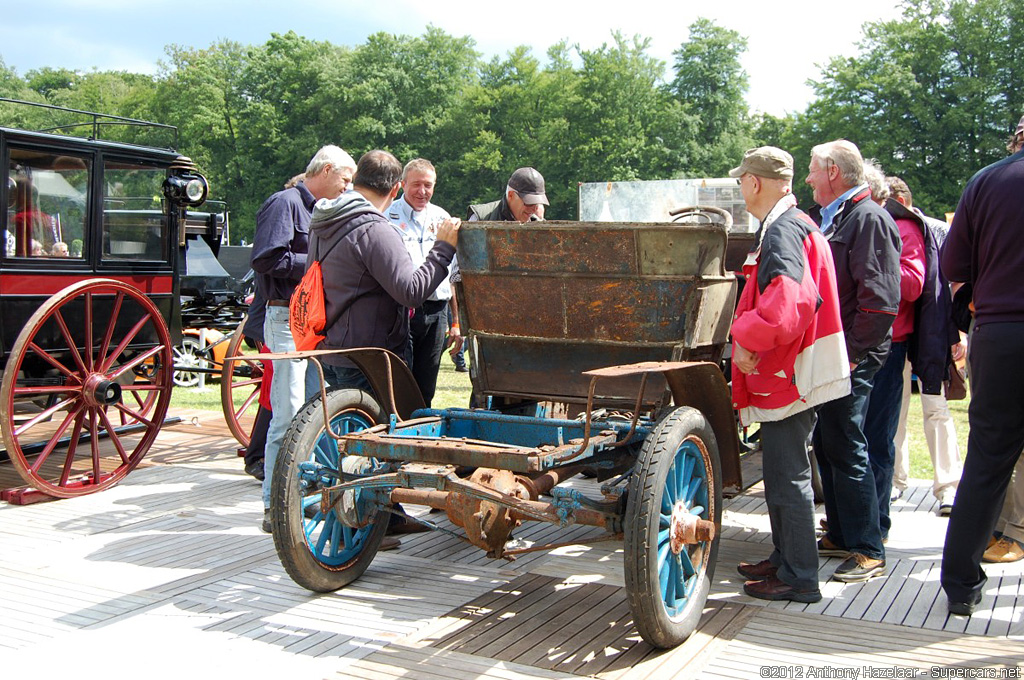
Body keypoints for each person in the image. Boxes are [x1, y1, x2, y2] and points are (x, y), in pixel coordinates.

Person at [728, 147, 849, 603]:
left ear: (755, 183)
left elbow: (788, 309)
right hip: (793, 371)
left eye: (742, 180)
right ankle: (785, 559)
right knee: (784, 474)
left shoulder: (782, 231)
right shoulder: (794, 224)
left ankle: (799, 577)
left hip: (787, 374)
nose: (741, 188)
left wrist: (743, 335)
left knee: (787, 477)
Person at [805, 139, 902, 583]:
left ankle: (867, 549)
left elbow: (881, 304)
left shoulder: (868, 218)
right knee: (830, 443)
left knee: (847, 445)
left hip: (851, 358)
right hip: (838, 355)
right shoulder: (845, 217)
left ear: (832, 173)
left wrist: (850, 356)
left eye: (812, 169)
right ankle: (845, 534)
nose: (807, 179)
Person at [940, 115, 1024, 616]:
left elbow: (953, 267)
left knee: (987, 463)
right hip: (999, 325)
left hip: (1001, 334)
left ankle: (961, 585)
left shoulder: (987, 181)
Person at [250, 145, 356, 533]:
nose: (347, 188)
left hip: (308, 322)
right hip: (284, 318)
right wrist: (317, 264)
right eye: (345, 179)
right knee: (289, 416)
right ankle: (273, 508)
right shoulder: (285, 203)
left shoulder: (317, 209)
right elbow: (265, 259)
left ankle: (303, 498)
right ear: (327, 170)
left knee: (314, 413)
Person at [858, 163, 926, 544]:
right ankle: (853, 523)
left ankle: (876, 525)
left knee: (877, 439)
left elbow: (913, 285)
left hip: (889, 346)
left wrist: (870, 268)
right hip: (858, 343)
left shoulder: (904, 228)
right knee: (850, 439)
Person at [887, 177, 963, 513]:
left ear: (900, 200)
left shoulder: (936, 230)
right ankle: (894, 481)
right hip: (899, 333)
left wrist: (956, 335)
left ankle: (947, 487)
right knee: (895, 411)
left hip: (932, 332)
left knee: (936, 408)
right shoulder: (888, 229)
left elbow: (951, 283)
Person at [386, 158, 463, 406]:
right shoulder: (387, 216)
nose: (422, 191)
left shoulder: (443, 219)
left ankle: (422, 434)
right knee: (401, 380)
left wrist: (456, 322)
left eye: (428, 185)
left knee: (427, 384)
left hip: (437, 311)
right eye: (416, 184)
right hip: (402, 310)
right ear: (403, 184)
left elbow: (452, 275)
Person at [467, 167, 548, 223]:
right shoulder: (480, 218)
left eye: (537, 203)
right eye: (529, 202)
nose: (534, 209)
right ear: (511, 195)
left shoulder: (540, 226)